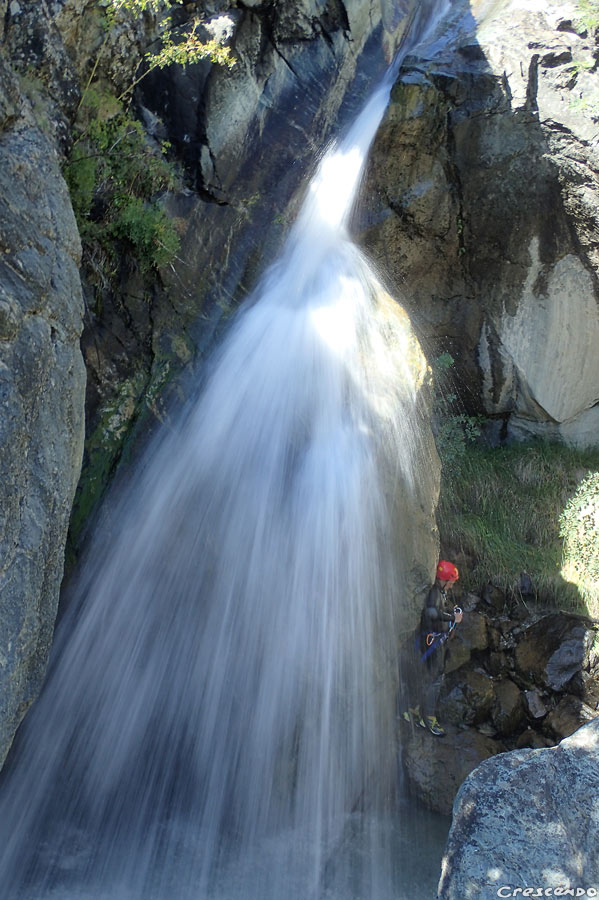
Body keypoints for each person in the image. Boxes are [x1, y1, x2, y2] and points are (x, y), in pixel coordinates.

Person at [401, 560, 463, 736]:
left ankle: (414, 709)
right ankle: (428, 718)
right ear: (444, 580)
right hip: (431, 643)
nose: (452, 585)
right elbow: (432, 612)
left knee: (430, 676)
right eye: (451, 582)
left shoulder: (440, 592)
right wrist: (452, 617)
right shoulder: (435, 593)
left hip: (433, 642)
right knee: (435, 679)